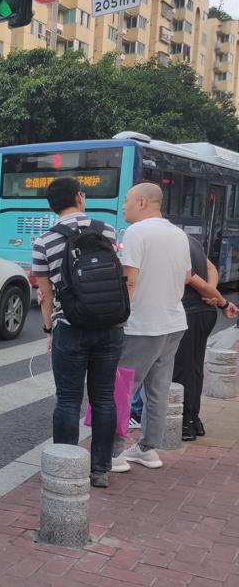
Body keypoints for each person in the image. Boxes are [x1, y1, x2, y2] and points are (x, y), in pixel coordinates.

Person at [112, 183, 224, 471]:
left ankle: (112, 451)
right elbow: (188, 275)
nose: (123, 206)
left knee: (122, 387)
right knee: (158, 389)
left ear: (142, 202)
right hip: (174, 323)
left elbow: (130, 281)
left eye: (126, 200)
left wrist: (119, 319)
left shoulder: (137, 232)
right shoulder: (178, 233)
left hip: (142, 325)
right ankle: (148, 449)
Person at [32, 178, 125, 488]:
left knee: (69, 401)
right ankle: (100, 469)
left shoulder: (44, 241)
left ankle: (67, 468)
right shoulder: (107, 230)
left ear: (51, 206)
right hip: (110, 325)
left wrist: (49, 330)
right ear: (80, 197)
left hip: (70, 327)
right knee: (104, 398)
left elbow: (44, 294)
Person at [173, 235, 237, 440]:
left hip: (189, 312)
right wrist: (214, 292)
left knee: (182, 369)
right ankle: (193, 419)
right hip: (204, 313)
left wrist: (221, 301)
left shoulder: (174, 243)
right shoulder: (189, 239)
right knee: (193, 367)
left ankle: (186, 422)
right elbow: (210, 268)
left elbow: (191, 277)